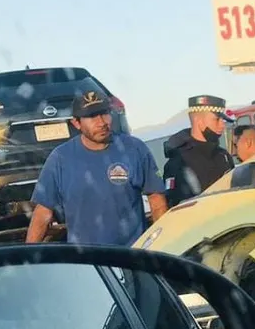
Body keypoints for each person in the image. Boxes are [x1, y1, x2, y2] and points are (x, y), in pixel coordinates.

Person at [26, 91, 167, 245]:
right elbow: (43, 213)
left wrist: (163, 245)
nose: (101, 122)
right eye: (92, 116)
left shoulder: (134, 149)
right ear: (76, 123)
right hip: (88, 261)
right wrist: (28, 260)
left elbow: (156, 199)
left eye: (104, 113)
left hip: (132, 256)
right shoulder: (60, 159)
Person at [161, 95, 235, 207]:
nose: (222, 125)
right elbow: (176, 207)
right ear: (198, 121)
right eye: (216, 119)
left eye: (222, 120)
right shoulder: (178, 163)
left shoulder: (223, 156)